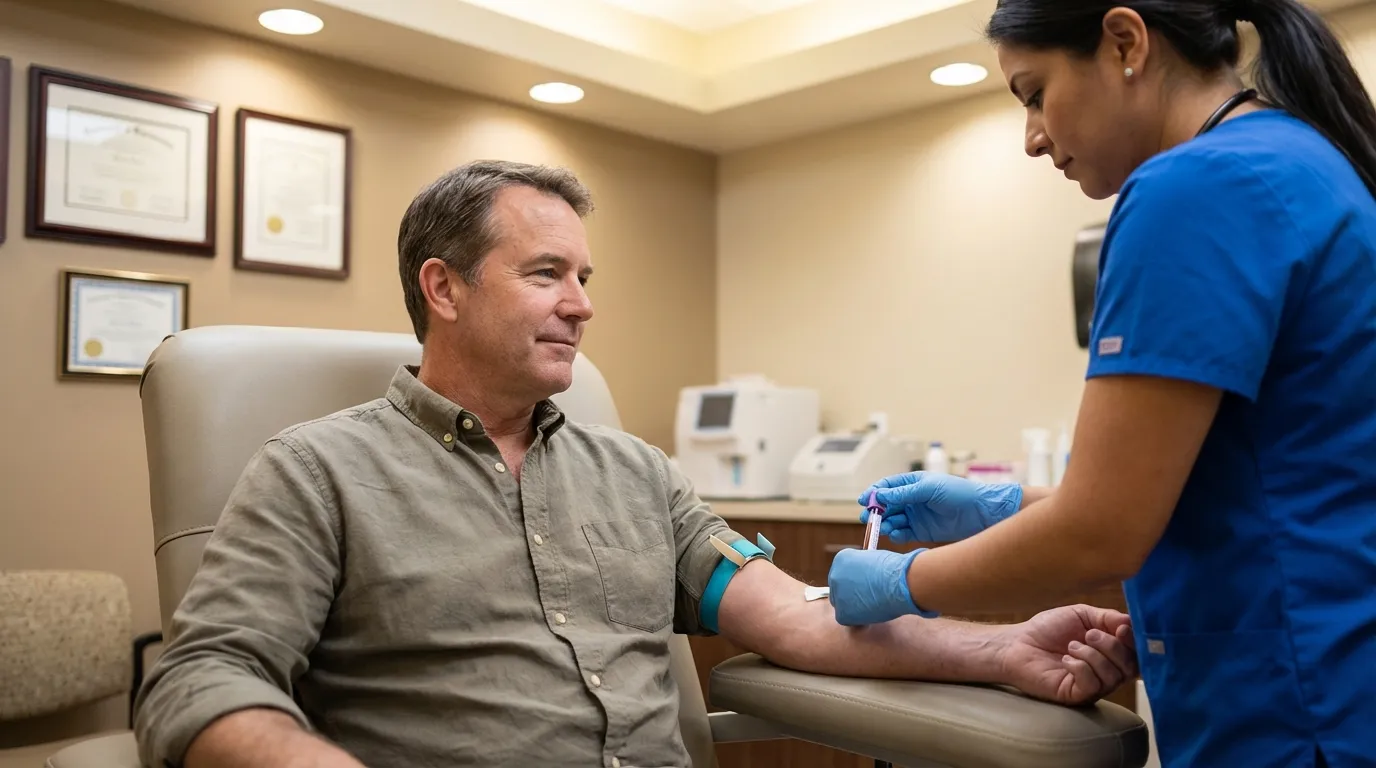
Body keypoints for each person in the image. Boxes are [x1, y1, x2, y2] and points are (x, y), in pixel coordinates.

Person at [133, 160, 1137, 768]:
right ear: (442, 288)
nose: (581, 303)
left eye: (583, 276)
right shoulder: (318, 473)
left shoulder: (637, 476)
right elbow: (205, 676)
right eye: (544, 274)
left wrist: (995, 652)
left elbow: (796, 618)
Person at [826, 1, 1376, 767]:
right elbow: (1244, 477)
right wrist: (1002, 507)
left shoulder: (1192, 187)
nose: (1032, 137)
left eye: (1034, 93)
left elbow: (1104, 526)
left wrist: (906, 582)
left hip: (1297, 708)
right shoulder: (1303, 160)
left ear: (1125, 42)